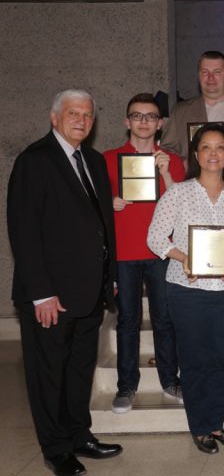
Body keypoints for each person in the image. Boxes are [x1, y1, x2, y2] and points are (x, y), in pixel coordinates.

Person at [8, 89, 123, 476]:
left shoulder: (92, 160)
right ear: (54, 117)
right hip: (51, 296)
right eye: (73, 113)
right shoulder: (34, 160)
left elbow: (103, 226)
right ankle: (56, 448)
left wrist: (109, 278)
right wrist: (41, 293)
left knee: (78, 370)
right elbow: (24, 231)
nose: (82, 120)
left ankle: (78, 435)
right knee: (48, 375)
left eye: (88, 115)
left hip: (89, 292)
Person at [147, 124, 224, 454]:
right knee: (194, 359)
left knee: (218, 358)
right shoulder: (178, 193)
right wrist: (185, 258)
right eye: (206, 147)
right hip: (187, 288)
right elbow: (155, 238)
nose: (213, 154)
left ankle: (216, 424)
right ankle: (200, 426)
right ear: (196, 154)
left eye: (220, 147)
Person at [104, 93, 186, 414]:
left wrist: (165, 172)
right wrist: (108, 203)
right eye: (137, 116)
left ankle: (170, 380)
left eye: (150, 116)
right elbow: (91, 205)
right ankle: (126, 385)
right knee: (128, 320)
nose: (143, 121)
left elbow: (182, 205)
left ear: (160, 124)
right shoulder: (108, 159)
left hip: (161, 251)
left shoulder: (172, 160)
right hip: (124, 252)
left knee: (165, 319)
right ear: (127, 121)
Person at [161, 50, 224, 162]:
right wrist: (184, 164)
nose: (210, 77)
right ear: (198, 76)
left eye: (217, 72)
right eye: (205, 72)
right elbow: (167, 151)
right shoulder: (180, 112)